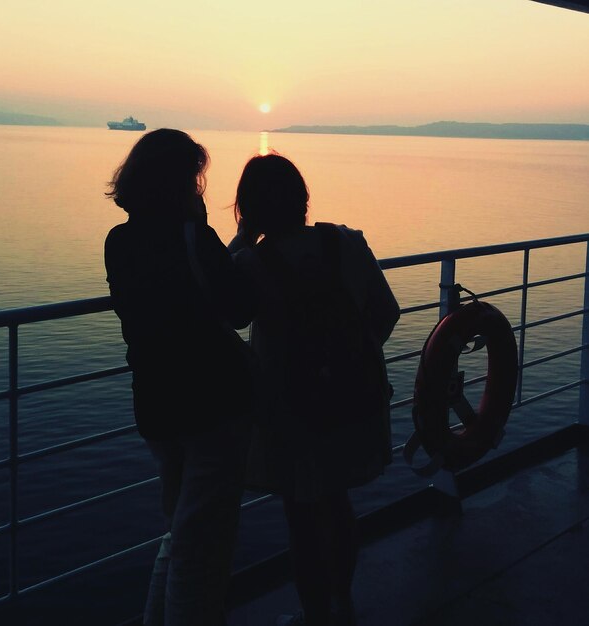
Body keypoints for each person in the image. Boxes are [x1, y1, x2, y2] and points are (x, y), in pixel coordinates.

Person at [228, 153, 400, 626]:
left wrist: (241, 238)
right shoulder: (347, 242)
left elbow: (218, 306)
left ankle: (315, 615)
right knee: (338, 504)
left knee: (301, 519)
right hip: (352, 403)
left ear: (250, 207)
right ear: (303, 197)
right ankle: (343, 601)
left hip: (291, 413)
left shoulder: (250, 264)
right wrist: (346, 364)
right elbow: (387, 312)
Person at [104, 129, 256, 626]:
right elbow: (236, 309)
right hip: (212, 404)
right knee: (202, 549)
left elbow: (174, 299)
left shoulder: (119, 242)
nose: (200, 185)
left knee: (181, 532)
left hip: (156, 404)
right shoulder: (193, 235)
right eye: (194, 175)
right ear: (180, 181)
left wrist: (220, 243)